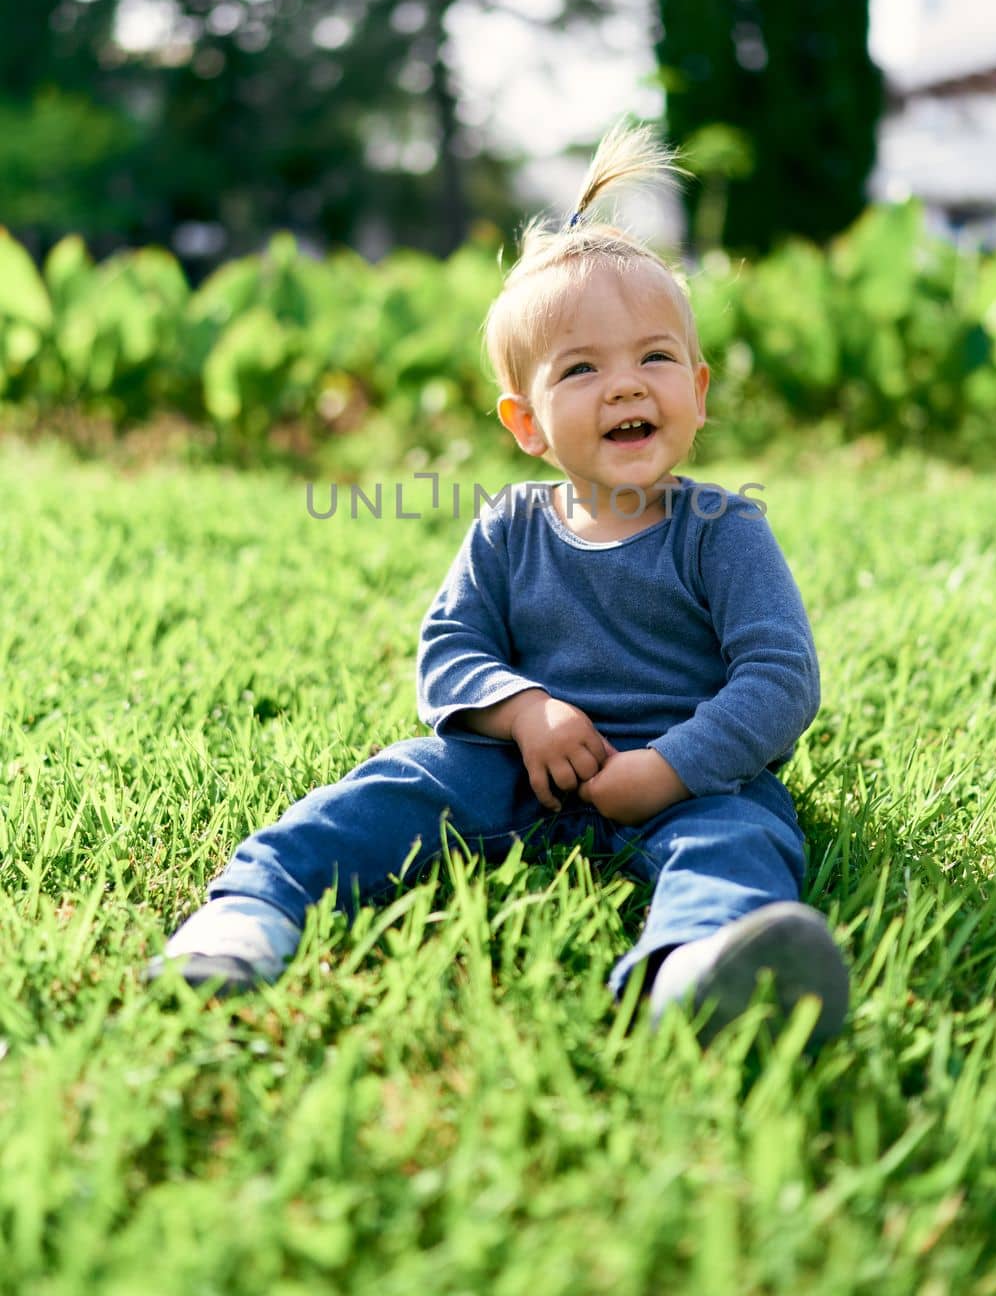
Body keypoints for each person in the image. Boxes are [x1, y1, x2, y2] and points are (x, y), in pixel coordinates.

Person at [148, 122, 849, 1049]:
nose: (626, 386)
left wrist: (670, 768)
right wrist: (524, 714)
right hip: (522, 768)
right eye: (583, 369)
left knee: (741, 844)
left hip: (697, 779)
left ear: (700, 387)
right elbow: (451, 649)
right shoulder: (509, 526)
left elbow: (778, 678)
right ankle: (251, 914)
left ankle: (697, 970)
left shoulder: (724, 529)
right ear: (526, 422)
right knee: (391, 787)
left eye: (655, 358)